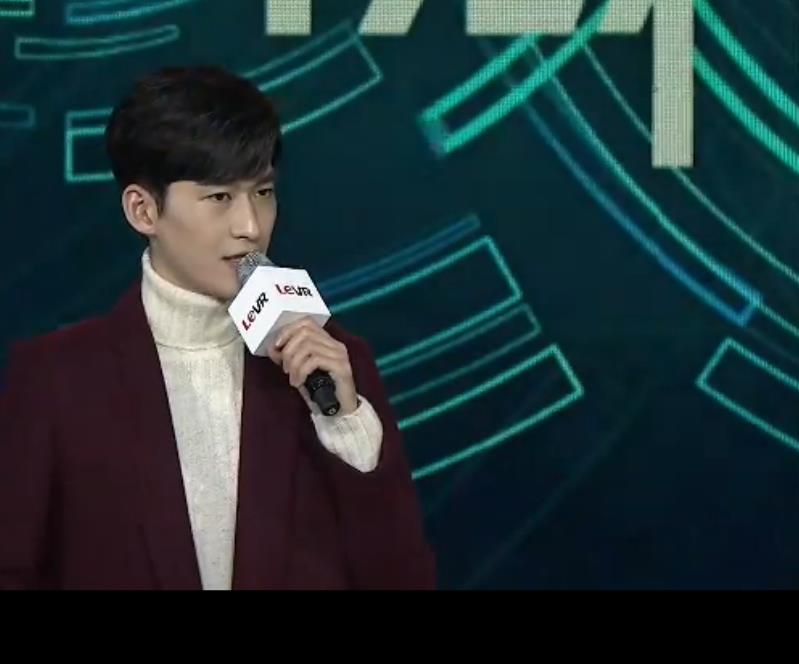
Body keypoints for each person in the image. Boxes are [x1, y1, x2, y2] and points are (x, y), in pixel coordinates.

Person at [0, 65, 436, 590]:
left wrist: (346, 425)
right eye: (219, 198)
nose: (250, 227)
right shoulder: (56, 380)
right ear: (143, 210)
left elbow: (400, 576)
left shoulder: (335, 364)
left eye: (263, 192)